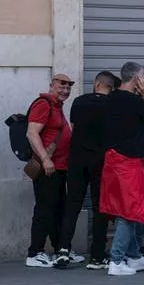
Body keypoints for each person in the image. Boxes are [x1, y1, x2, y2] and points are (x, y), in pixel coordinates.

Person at [102, 62, 144, 276]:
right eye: (143, 77)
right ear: (136, 79)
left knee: (132, 209)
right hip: (127, 163)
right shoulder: (134, 101)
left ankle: (134, 256)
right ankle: (117, 261)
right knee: (129, 212)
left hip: (114, 161)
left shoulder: (110, 99)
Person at [57, 71, 116, 270]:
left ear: (97, 83)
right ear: (110, 87)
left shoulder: (79, 101)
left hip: (77, 159)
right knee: (100, 207)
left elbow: (73, 127)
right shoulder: (113, 105)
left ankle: (63, 249)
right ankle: (97, 254)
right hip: (101, 161)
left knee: (72, 203)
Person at [24, 73, 74, 268]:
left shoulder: (57, 106)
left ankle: (60, 250)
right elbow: (31, 133)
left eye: (68, 87)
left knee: (57, 209)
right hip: (48, 168)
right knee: (45, 210)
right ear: (51, 86)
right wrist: (45, 159)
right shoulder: (43, 104)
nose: (65, 90)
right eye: (61, 86)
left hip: (59, 167)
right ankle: (35, 252)